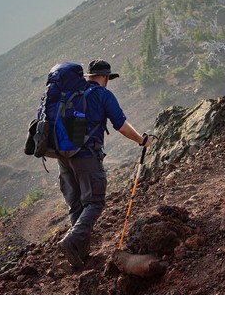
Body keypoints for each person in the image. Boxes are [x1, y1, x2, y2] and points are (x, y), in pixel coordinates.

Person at [57, 59, 153, 269]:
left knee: (77, 204)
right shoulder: (102, 95)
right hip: (86, 155)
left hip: (63, 156)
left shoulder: (70, 94)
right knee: (95, 202)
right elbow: (120, 124)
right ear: (104, 77)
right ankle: (72, 241)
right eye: (108, 78)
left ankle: (80, 254)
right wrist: (141, 140)